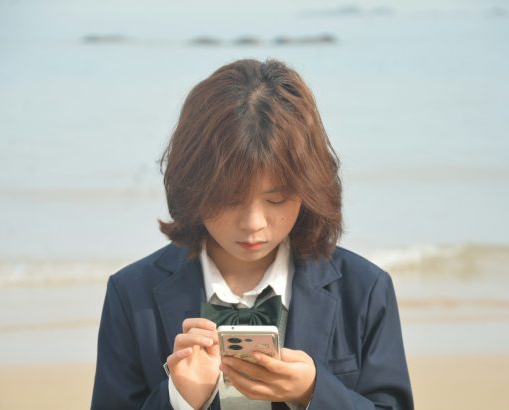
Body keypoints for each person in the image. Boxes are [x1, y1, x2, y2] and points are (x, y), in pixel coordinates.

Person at [91, 58, 413, 410]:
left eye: (276, 199)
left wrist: (314, 392)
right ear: (192, 186)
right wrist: (179, 400)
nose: (253, 223)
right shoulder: (131, 295)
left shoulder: (365, 290)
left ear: (309, 189)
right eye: (230, 198)